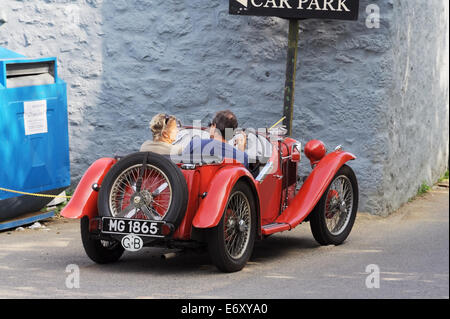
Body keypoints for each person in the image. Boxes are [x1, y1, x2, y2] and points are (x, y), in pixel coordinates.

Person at [185, 110, 249, 169]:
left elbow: (180, 167)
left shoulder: (194, 144)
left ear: (214, 126)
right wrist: (241, 151)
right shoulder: (242, 157)